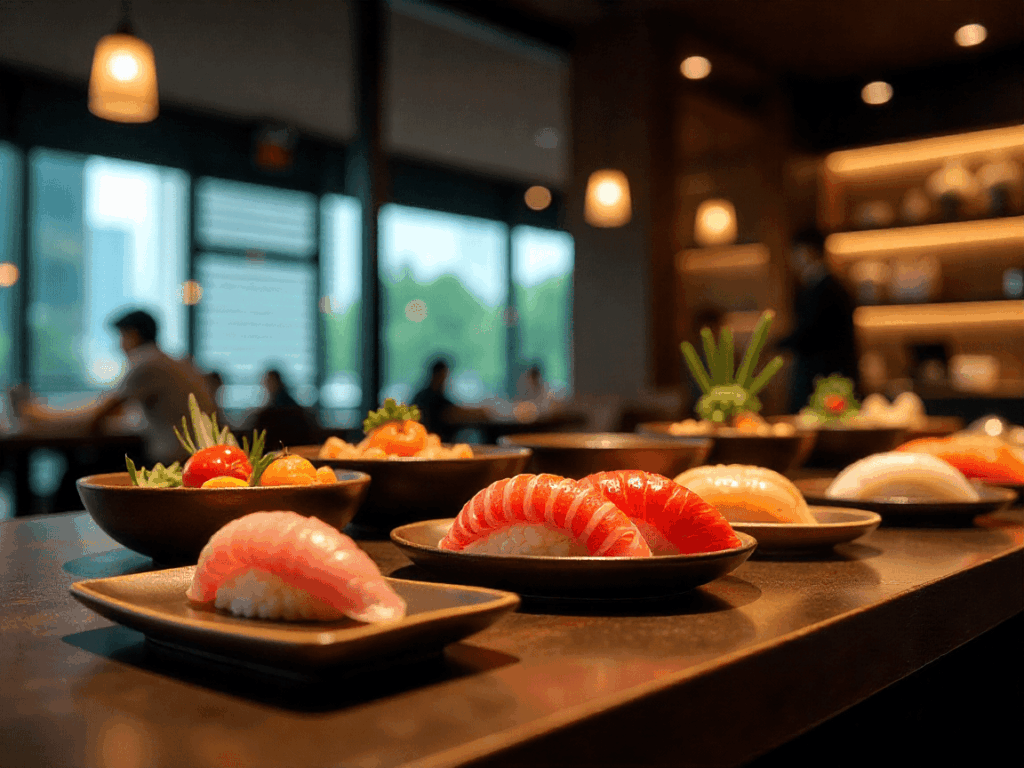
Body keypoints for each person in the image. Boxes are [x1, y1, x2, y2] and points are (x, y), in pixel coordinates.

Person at [17, 309, 218, 466]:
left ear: (133, 335)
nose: (119, 345)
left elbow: (98, 416)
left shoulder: (147, 363)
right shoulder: (171, 360)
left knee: (86, 468)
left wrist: (38, 415)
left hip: (175, 460)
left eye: (121, 337)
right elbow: (111, 407)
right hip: (196, 455)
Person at [776, 228, 860, 414]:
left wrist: (777, 344)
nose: (792, 260)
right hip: (827, 382)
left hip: (824, 384)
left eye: (794, 253)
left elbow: (811, 334)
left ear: (807, 251)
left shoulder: (825, 289)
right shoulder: (825, 286)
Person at [411, 358, 459, 442]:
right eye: (444, 375)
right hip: (428, 440)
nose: (445, 380)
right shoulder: (426, 397)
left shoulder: (424, 395)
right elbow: (449, 414)